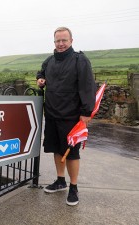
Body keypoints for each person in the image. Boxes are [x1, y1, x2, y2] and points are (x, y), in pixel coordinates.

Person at [36, 27, 96, 206]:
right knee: (56, 149)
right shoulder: (49, 61)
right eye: (57, 41)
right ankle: (60, 180)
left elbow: (87, 86)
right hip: (52, 114)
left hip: (72, 117)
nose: (60, 44)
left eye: (64, 40)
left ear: (71, 41)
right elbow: (41, 73)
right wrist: (40, 80)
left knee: (72, 153)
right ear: (54, 42)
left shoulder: (80, 60)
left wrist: (86, 112)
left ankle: (74, 187)